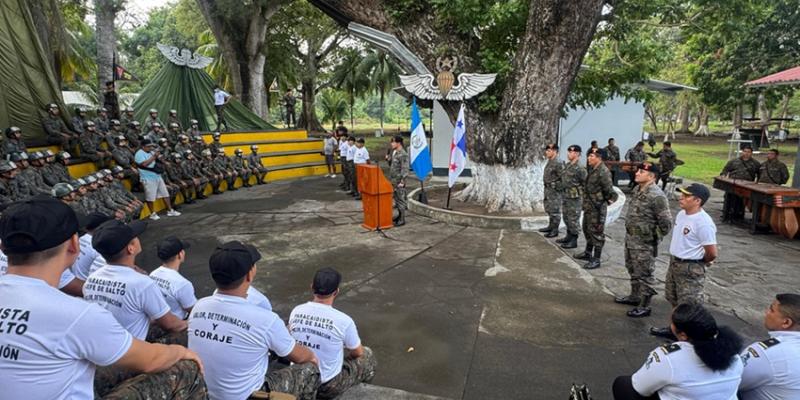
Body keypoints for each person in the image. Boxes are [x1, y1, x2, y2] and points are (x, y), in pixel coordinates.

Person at [0, 197, 205, 399]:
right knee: (185, 368)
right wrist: (179, 351)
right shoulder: (76, 314)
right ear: (74, 244)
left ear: (3, 246)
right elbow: (151, 360)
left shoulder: (86, 294)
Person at [189, 241, 321, 400]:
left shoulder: (199, 306)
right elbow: (300, 357)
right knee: (309, 368)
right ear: (250, 274)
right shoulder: (265, 319)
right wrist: (311, 356)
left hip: (204, 392)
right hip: (248, 396)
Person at [613, 303, 743, 400]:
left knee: (622, 385)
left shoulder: (669, 358)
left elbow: (640, 388)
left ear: (683, 335)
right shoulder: (735, 356)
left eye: (672, 323)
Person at [84, 219, 188, 341]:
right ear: (131, 248)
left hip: (105, 342)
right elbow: (171, 324)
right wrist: (190, 325)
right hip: (132, 349)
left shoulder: (91, 279)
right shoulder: (142, 283)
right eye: (135, 237)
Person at [288, 268, 377, 399]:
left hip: (299, 378)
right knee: (367, 355)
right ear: (336, 292)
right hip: (327, 385)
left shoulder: (296, 311)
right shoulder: (344, 321)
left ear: (312, 287)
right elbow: (357, 352)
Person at [651, 183, 717, 339]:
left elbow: (712, 252)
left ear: (697, 201)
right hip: (675, 263)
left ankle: (688, 337)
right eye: (682, 194)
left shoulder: (703, 222)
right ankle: (674, 329)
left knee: (689, 305)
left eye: (687, 196)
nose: (681, 197)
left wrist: (701, 262)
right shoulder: (682, 214)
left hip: (690, 266)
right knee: (673, 299)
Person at [615, 163, 673, 317]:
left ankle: (645, 305)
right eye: (638, 170)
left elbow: (666, 223)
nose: (637, 173)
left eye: (642, 171)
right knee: (632, 268)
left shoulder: (657, 196)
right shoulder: (637, 189)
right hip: (631, 238)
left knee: (645, 273)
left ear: (652, 176)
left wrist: (653, 237)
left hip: (644, 242)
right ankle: (635, 296)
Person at [739, 293, 800, 399]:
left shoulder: (766, 353)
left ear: (786, 323)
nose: (766, 312)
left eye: (771, 310)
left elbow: (730, 380)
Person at [575, 147, 618, 269]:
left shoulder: (603, 172)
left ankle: (596, 259)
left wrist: (603, 202)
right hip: (589, 207)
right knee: (587, 229)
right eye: (588, 156)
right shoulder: (594, 169)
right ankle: (588, 253)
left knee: (597, 233)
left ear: (599, 158)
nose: (589, 158)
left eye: (592, 156)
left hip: (597, 208)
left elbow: (609, 191)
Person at [150, 237, 197, 320]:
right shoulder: (182, 284)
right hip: (178, 324)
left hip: (158, 320)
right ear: (180, 254)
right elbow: (194, 311)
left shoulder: (152, 275)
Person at [135, 139, 181, 220]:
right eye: (148, 146)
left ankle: (170, 210)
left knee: (165, 194)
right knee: (150, 197)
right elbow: (144, 164)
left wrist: (164, 161)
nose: (150, 148)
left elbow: (159, 159)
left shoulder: (152, 151)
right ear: (143, 146)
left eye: (151, 146)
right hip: (147, 178)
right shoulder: (139, 154)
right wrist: (154, 157)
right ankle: (152, 213)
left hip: (157, 176)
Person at [720, 145, 760, 222]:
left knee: (742, 201)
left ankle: (739, 216)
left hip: (746, 186)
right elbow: (725, 170)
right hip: (733, 184)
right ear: (742, 152)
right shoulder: (734, 161)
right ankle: (727, 214)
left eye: (748, 152)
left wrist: (757, 183)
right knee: (729, 199)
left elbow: (759, 174)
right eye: (745, 151)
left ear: (751, 153)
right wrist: (723, 176)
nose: (746, 153)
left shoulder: (756, 164)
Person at [557, 145, 586, 249]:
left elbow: (585, 183)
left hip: (575, 198)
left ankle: (574, 239)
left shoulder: (580, 168)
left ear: (577, 153)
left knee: (573, 218)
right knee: (566, 217)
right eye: (568, 151)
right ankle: (568, 236)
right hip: (566, 196)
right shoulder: (568, 165)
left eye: (572, 152)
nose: (569, 153)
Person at [539, 143, 563, 238]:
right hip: (548, 189)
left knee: (555, 210)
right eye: (547, 150)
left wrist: (555, 185)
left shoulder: (559, 162)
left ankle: (555, 230)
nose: (546, 152)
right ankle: (551, 226)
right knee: (549, 208)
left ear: (555, 151)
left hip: (555, 191)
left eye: (549, 151)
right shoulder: (550, 161)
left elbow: (563, 179)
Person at [388, 136, 409, 227]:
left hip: (399, 180)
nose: (391, 144)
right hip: (393, 180)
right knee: (396, 199)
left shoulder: (403, 154)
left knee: (401, 199)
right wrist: (388, 159)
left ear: (398, 143)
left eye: (393, 142)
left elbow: (405, 169)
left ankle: (402, 219)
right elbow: (393, 165)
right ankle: (399, 215)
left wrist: (402, 181)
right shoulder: (395, 152)